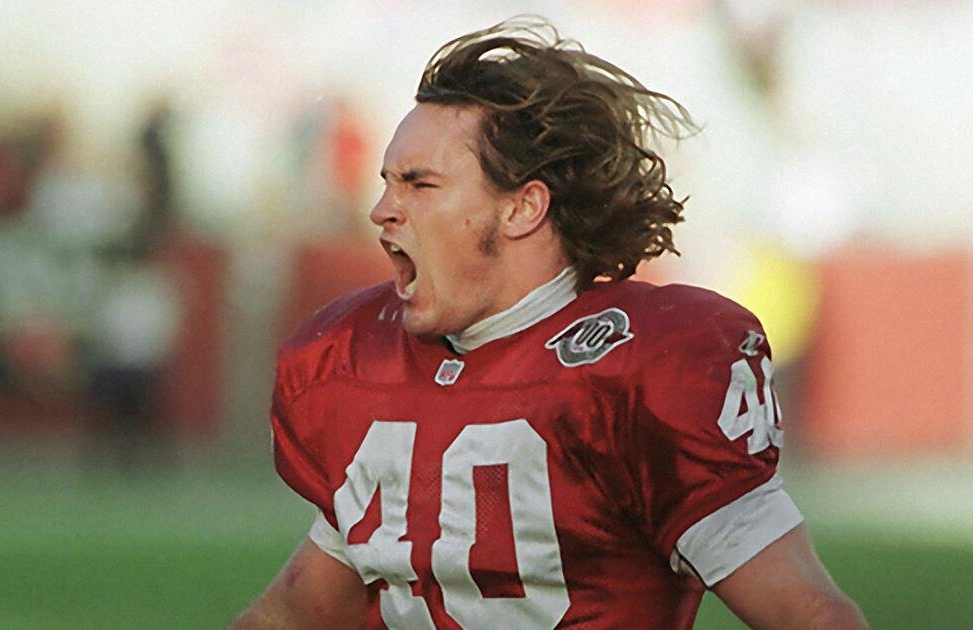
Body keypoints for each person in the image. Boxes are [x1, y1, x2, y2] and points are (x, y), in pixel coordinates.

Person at [234, 17, 866, 630]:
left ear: (523, 208)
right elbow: (299, 611)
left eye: (419, 185)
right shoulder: (359, 362)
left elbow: (807, 614)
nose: (382, 210)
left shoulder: (637, 368)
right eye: (388, 183)